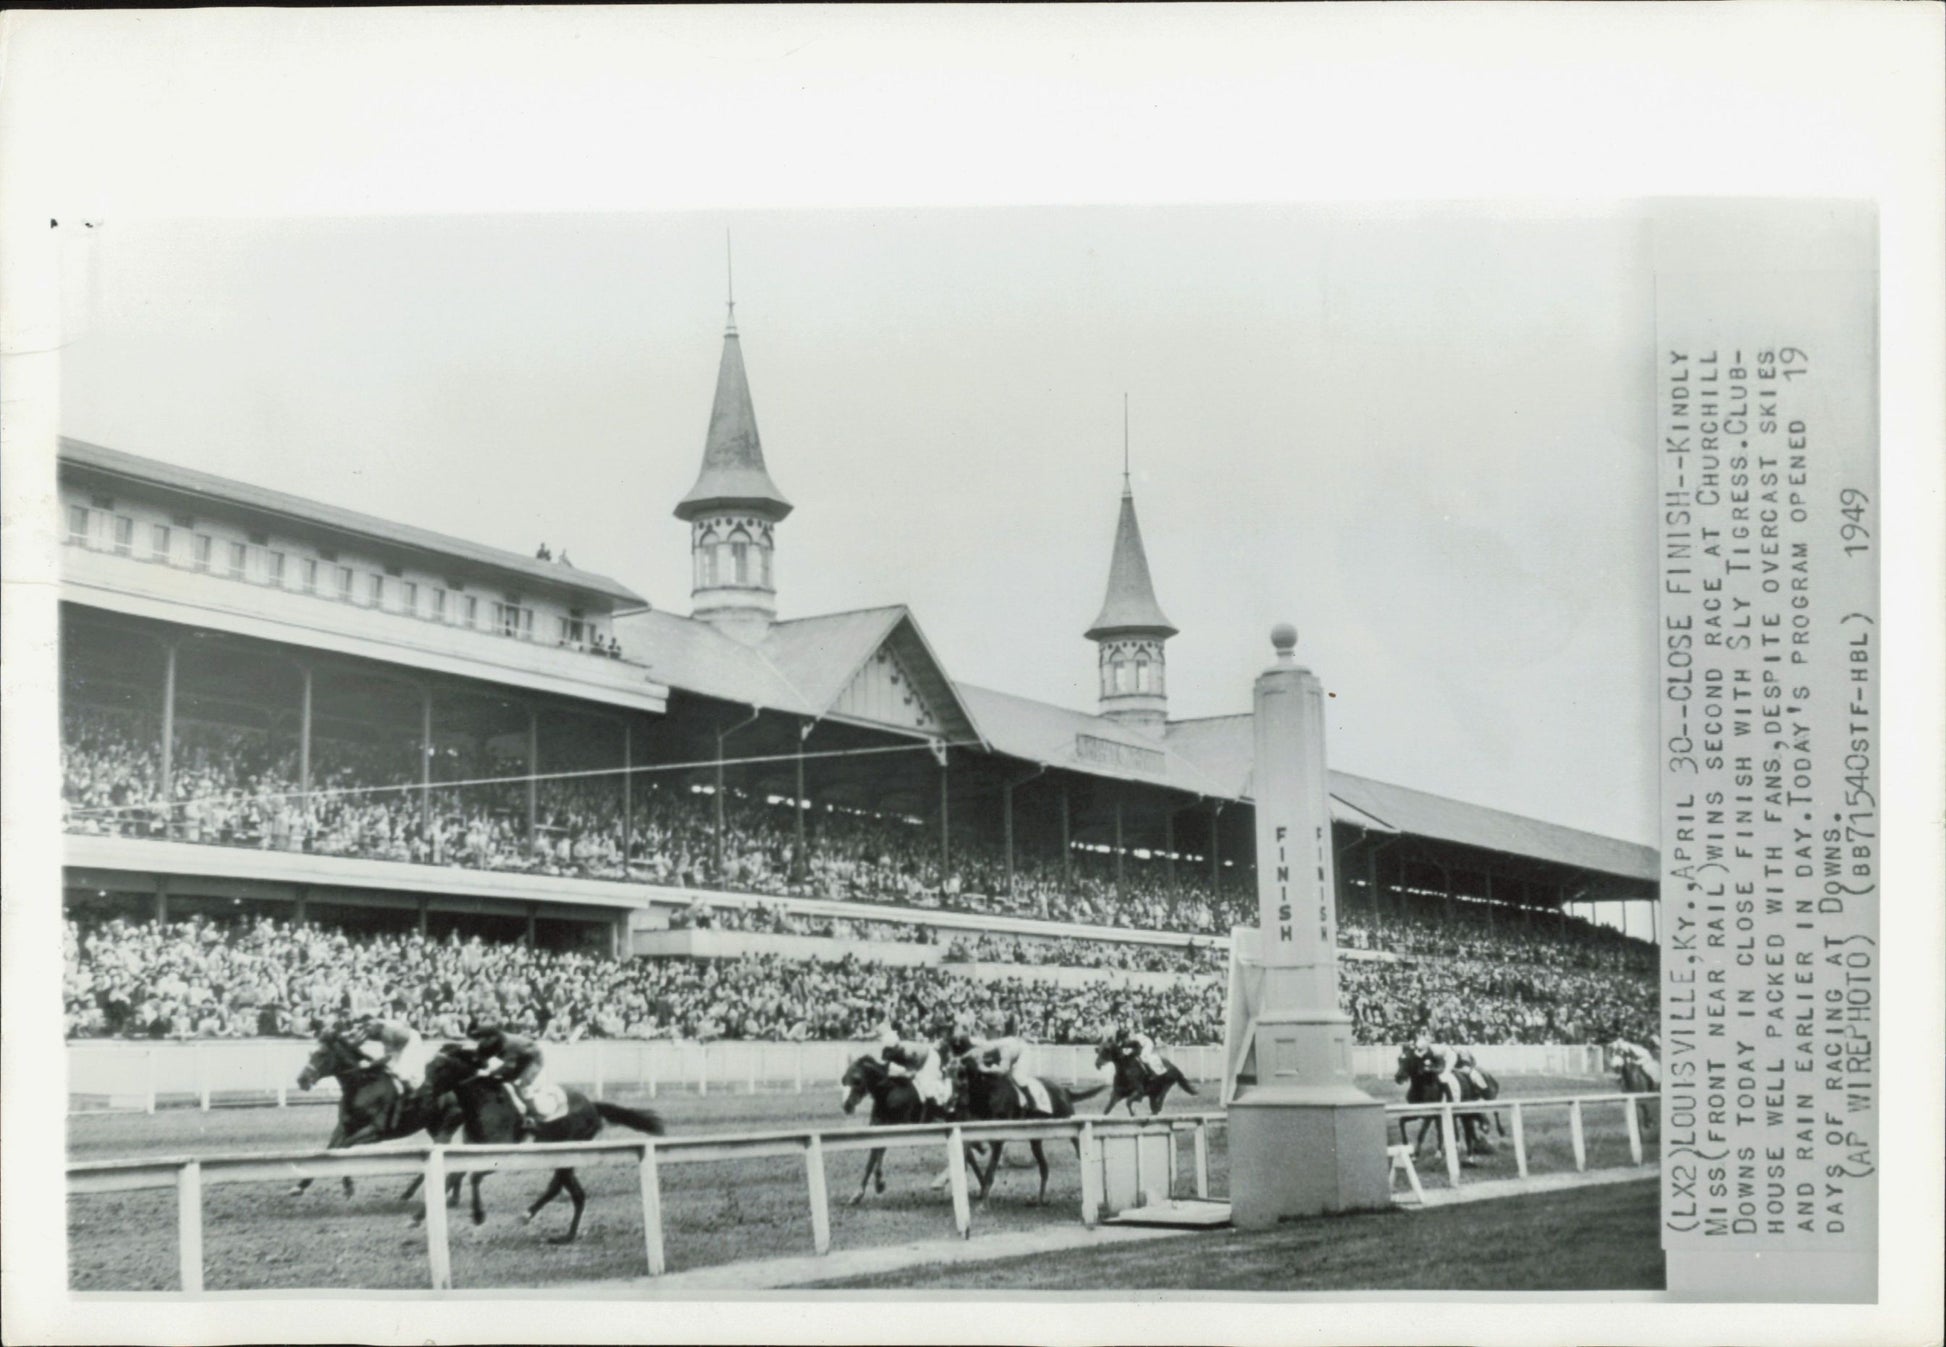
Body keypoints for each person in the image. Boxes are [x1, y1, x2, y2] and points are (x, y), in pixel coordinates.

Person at [471, 1025, 552, 1130]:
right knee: (497, 1080)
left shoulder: (508, 1044)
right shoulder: (487, 1043)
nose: (480, 1042)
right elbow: (478, 1060)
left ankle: (532, 1116)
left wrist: (490, 1073)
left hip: (533, 1059)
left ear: (492, 1038)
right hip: (517, 1059)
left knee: (521, 1085)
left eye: (483, 1039)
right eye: (479, 1039)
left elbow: (509, 1066)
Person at [877, 1022, 951, 1111]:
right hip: (921, 1059)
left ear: (893, 1047)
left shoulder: (905, 1051)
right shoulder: (896, 1049)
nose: (886, 1053)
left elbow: (911, 1072)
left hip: (930, 1060)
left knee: (925, 1088)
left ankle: (943, 1099)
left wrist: (903, 1073)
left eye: (887, 1050)